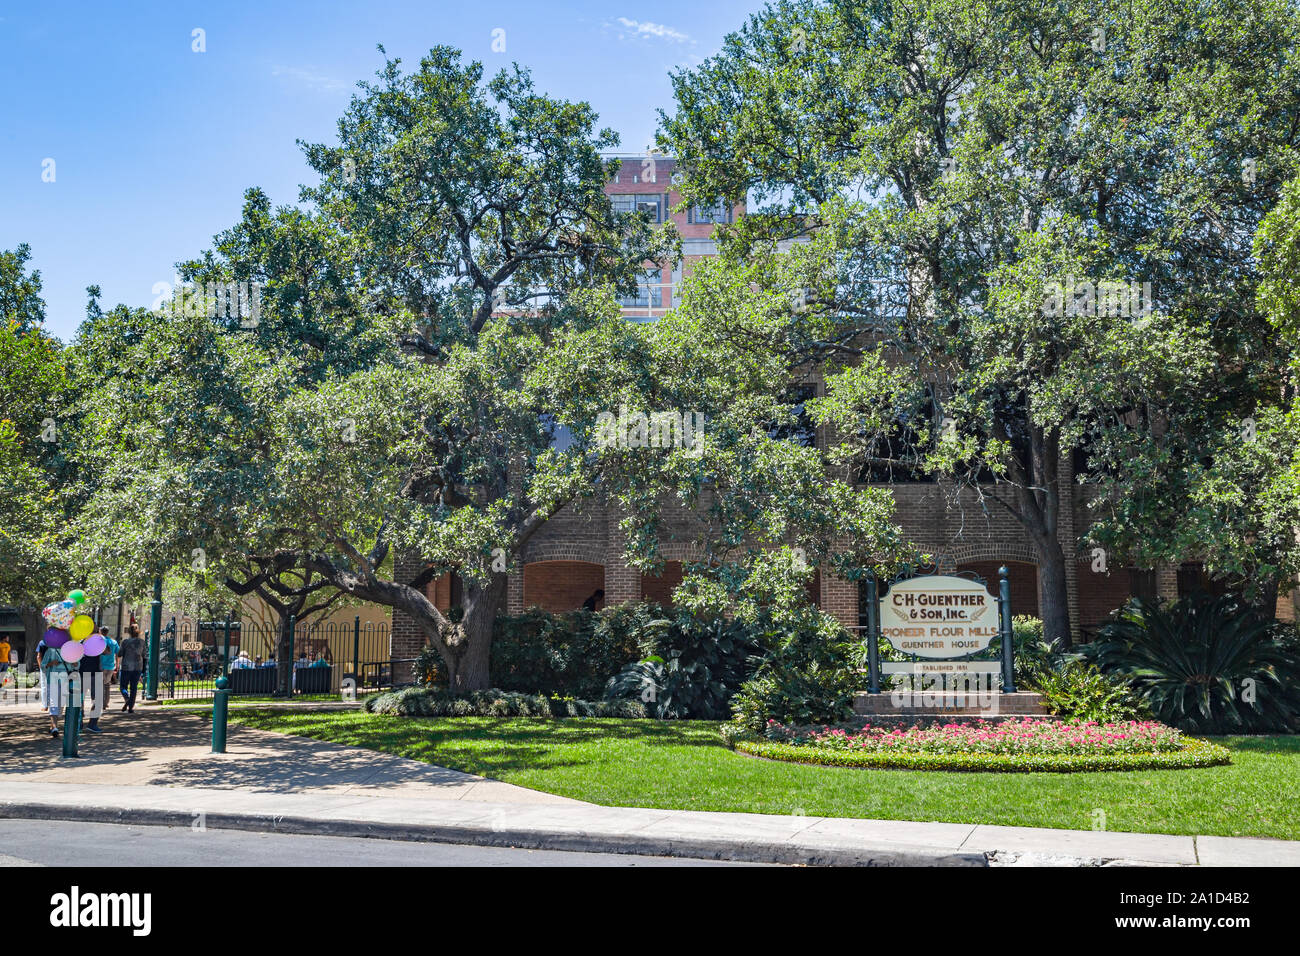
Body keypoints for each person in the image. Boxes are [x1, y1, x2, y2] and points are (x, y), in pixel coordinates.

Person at [78, 630, 104, 733]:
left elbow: (107, 651)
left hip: (85, 674)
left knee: (82, 700)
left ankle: (82, 723)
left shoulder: (80, 642)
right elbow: (107, 652)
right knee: (95, 700)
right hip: (91, 674)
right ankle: (90, 724)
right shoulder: (81, 642)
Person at [39, 640, 64, 737]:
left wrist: (75, 664)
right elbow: (43, 666)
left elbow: (77, 665)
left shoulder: (69, 651)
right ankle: (54, 727)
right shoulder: (50, 650)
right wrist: (51, 663)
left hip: (65, 680)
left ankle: (53, 726)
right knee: (54, 704)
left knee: (61, 705)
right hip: (52, 680)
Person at [118, 624, 145, 713]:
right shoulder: (142, 642)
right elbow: (145, 654)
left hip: (126, 666)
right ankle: (131, 707)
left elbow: (120, 654)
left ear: (129, 632)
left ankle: (127, 699)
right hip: (137, 667)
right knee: (134, 687)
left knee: (123, 686)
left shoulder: (125, 642)